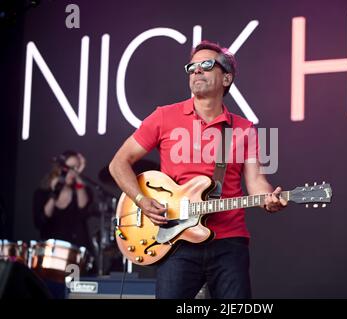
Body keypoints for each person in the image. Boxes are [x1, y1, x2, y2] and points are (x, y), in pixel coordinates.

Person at [109, 40, 287, 299]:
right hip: (177, 242)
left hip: (229, 242)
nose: (196, 71)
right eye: (191, 67)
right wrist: (141, 200)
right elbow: (118, 163)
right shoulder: (163, 117)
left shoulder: (244, 129)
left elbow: (257, 181)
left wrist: (270, 199)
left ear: (226, 78)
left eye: (206, 65)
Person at [33, 150, 92, 250]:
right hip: (50, 251)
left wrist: (78, 175)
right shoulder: (41, 193)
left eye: (76, 168)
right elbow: (41, 221)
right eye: (69, 168)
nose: (72, 172)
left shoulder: (81, 191)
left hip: (75, 251)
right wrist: (55, 192)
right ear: (59, 168)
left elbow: (83, 211)